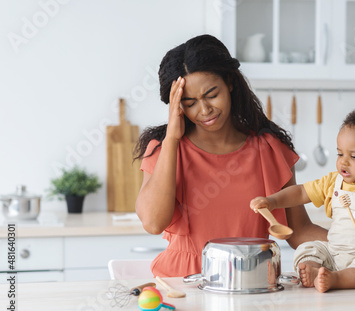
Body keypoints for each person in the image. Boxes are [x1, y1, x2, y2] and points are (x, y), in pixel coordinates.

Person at [134, 34, 327, 278]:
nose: (204, 110)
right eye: (190, 102)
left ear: (230, 83)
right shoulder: (164, 150)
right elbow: (152, 223)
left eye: (212, 95)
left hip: (250, 283)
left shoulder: (269, 150)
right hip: (182, 286)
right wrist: (172, 138)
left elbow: (299, 229)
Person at [250, 106, 355, 293]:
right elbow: (302, 192)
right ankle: (314, 269)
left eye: (354, 156)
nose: (343, 161)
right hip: (335, 253)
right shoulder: (334, 182)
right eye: (340, 153)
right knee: (308, 248)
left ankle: (337, 279)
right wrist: (272, 201)